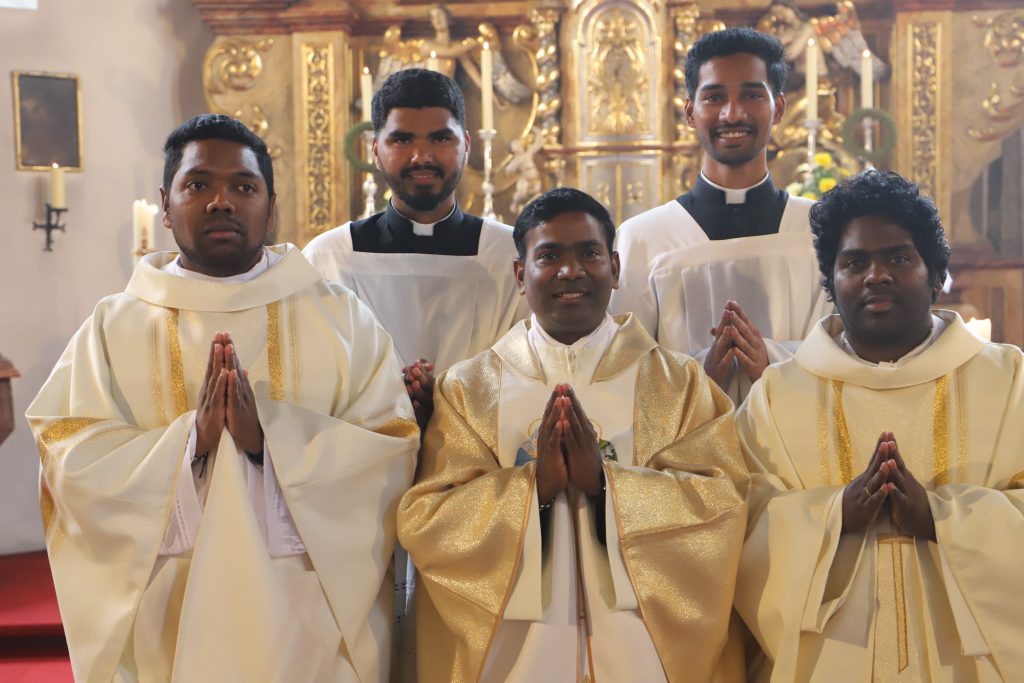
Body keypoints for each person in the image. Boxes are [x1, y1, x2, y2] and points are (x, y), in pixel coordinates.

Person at [26, 114, 418, 683]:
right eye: (198, 184)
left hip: (309, 617)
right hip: (168, 614)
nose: (221, 201)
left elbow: (391, 445)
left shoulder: (339, 317)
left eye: (243, 186)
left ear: (271, 206)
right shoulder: (113, 326)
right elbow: (67, 456)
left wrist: (270, 441)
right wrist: (191, 443)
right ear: (165, 205)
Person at [398, 187, 749, 682]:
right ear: (520, 275)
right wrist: (532, 488)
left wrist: (606, 486)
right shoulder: (469, 388)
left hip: (642, 656)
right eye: (549, 256)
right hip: (517, 658)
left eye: (589, 253)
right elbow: (428, 519)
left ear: (615, 267)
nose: (570, 271)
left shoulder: (677, 383)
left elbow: (723, 504)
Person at [734, 170, 1024, 681]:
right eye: (854, 262)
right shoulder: (777, 396)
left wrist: (939, 519)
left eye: (899, 258)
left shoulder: (1009, 381)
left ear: (936, 275)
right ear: (831, 283)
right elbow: (738, 527)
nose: (877, 275)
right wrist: (834, 517)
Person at [610, 27, 830, 403]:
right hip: (686, 442)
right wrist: (700, 375)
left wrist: (770, 361)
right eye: (714, 97)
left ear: (778, 108)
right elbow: (623, 372)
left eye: (751, 95)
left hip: (797, 436)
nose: (732, 114)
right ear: (690, 112)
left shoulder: (818, 231)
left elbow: (843, 354)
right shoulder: (643, 238)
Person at [303, 67, 527, 429]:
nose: (421, 156)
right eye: (402, 140)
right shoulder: (329, 259)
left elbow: (530, 377)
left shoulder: (510, 256)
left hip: (483, 455)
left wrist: (447, 404)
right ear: (376, 151)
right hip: (364, 452)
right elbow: (313, 388)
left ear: (466, 146)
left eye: (440, 138)